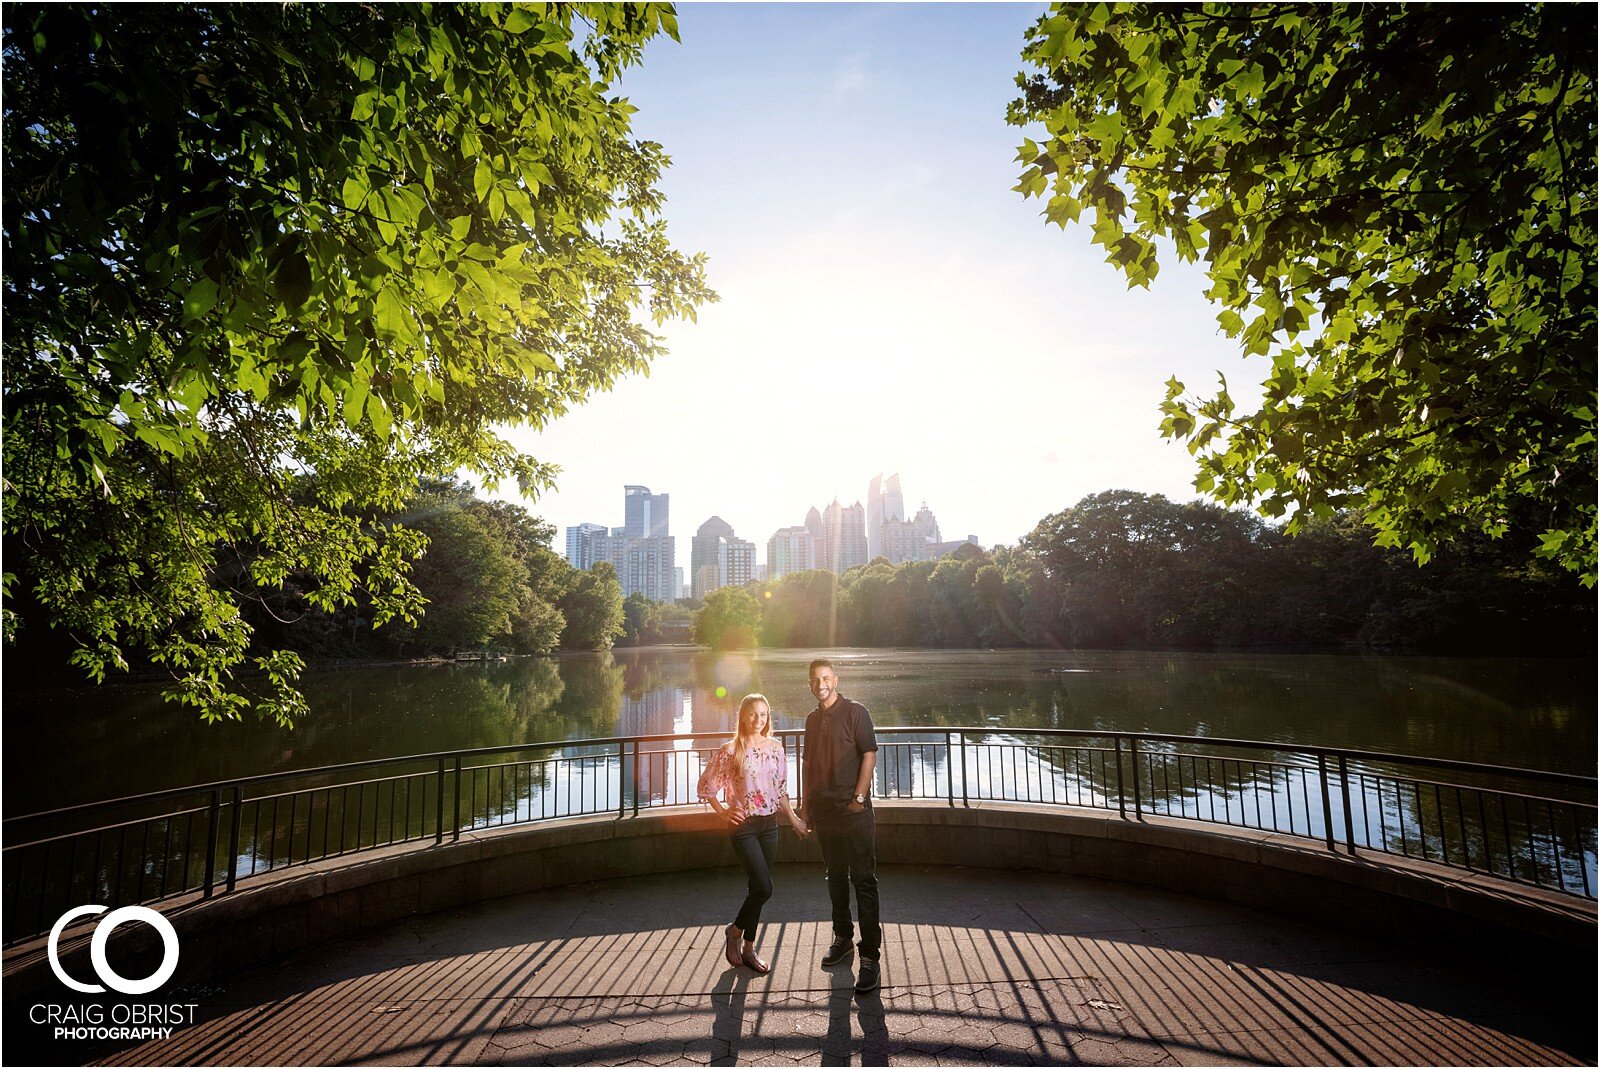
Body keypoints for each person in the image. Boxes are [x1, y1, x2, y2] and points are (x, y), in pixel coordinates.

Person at [697, 692, 809, 974]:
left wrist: (794, 820)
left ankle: (749, 948)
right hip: (743, 827)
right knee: (764, 887)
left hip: (770, 825)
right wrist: (723, 811)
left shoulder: (775, 748)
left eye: (763, 714)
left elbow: (780, 791)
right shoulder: (730, 750)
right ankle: (734, 933)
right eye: (752, 714)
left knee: (756, 889)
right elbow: (706, 786)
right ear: (742, 716)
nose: (758, 720)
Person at [800, 658, 882, 994]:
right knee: (835, 877)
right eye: (815, 679)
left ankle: (870, 957)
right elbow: (808, 765)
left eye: (826, 678)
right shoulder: (810, 720)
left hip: (854, 812)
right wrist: (805, 808)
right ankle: (843, 939)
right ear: (810, 684)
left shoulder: (856, 712)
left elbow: (869, 754)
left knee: (863, 880)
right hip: (824, 813)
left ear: (836, 679)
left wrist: (859, 798)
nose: (821, 684)